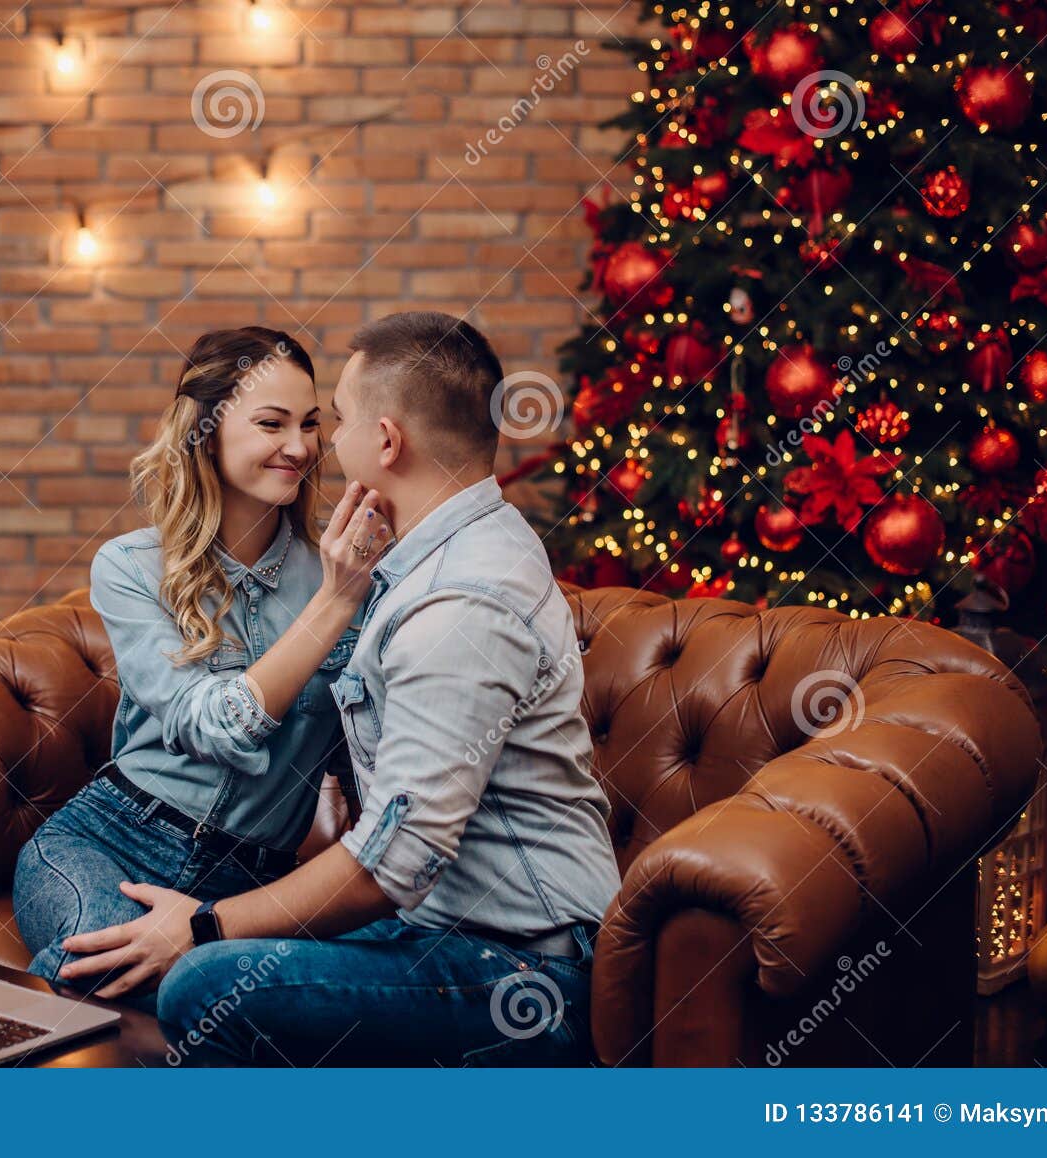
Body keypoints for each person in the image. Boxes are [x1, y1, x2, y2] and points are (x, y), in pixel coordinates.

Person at [55, 311, 622, 1064]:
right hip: (441, 925)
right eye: (280, 423)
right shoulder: (435, 558)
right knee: (129, 969)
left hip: (522, 963)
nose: (317, 444)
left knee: (201, 982)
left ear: (385, 442)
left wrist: (205, 923)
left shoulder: (456, 601)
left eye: (334, 420)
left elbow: (399, 858)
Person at [12, 326, 391, 1013]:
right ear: (205, 433)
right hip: (109, 841)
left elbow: (364, 759)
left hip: (247, 887)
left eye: (311, 424)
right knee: (108, 970)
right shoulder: (131, 567)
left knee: (192, 995)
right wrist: (335, 604)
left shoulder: (345, 571)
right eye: (272, 423)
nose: (301, 447)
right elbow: (209, 725)